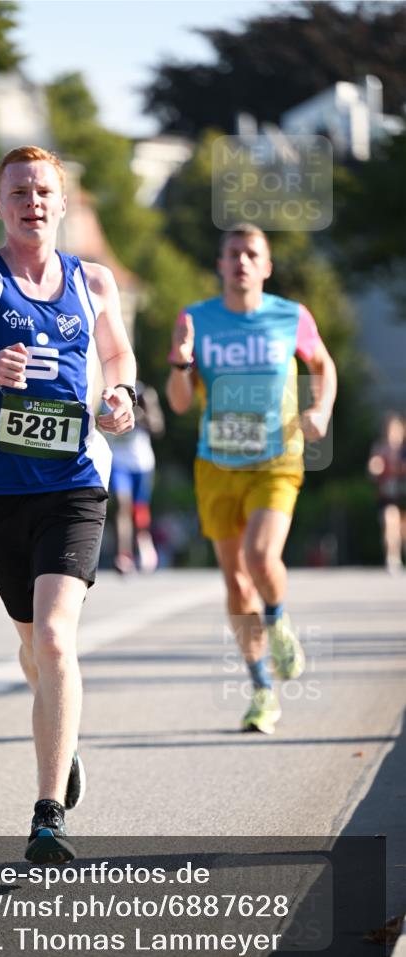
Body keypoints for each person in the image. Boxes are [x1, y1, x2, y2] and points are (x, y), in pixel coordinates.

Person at [0, 145, 137, 862]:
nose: (32, 203)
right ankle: (61, 738)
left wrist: (119, 397)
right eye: (18, 192)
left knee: (52, 638)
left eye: (43, 191)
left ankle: (47, 817)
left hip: (75, 483)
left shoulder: (94, 282)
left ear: (62, 202)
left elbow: (120, 359)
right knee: (30, 643)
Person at [166, 222, 337, 735]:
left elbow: (324, 365)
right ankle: (262, 689)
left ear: (266, 266)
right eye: (233, 253)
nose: (241, 261)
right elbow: (178, 404)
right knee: (236, 583)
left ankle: (279, 617)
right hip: (216, 464)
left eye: (251, 254)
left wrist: (321, 409)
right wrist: (179, 362)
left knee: (262, 558)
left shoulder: (292, 316)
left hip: (275, 459)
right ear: (220, 265)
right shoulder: (195, 319)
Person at [109, 380, 164, 573]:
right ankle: (123, 555)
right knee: (122, 506)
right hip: (118, 462)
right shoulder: (103, 394)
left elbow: (158, 427)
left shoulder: (144, 393)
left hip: (141, 463)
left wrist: (140, 416)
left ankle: (143, 540)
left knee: (138, 510)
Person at [367, 412, 406, 573]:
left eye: (396, 431)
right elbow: (373, 467)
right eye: (389, 431)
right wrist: (375, 468)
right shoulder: (380, 449)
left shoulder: (404, 451)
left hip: (403, 495)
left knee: (402, 529)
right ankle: (392, 558)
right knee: (390, 520)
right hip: (387, 496)